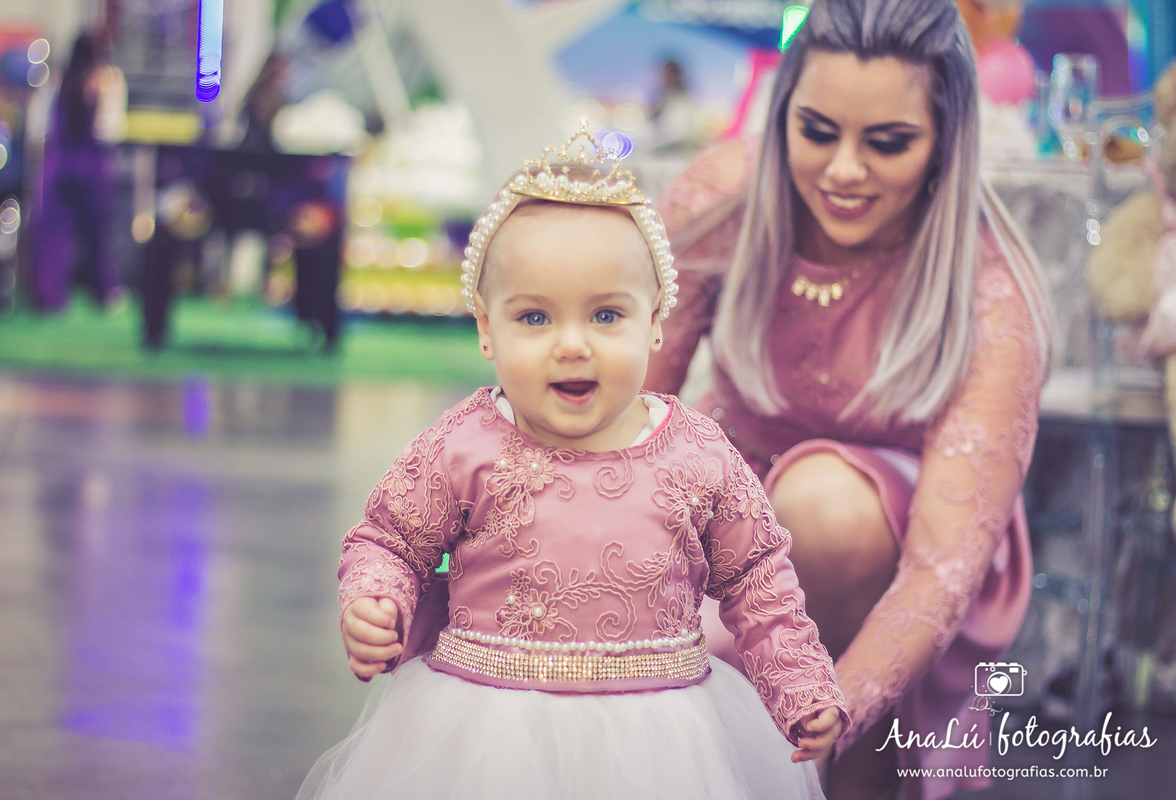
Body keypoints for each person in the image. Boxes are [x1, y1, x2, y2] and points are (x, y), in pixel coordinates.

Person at [297, 127, 848, 800]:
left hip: (660, 742)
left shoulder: (698, 452)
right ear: (486, 328)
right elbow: (389, 540)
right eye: (534, 318)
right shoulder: (465, 444)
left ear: (655, 322)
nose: (572, 345)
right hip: (486, 733)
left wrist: (799, 683)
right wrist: (376, 600)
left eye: (606, 315)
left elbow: (757, 577)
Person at [643, 2, 1051, 799]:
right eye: (818, 131)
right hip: (737, 501)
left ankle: (854, 778)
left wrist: (832, 709)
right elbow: (626, 411)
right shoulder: (721, 197)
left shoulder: (994, 294)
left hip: (907, 540)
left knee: (823, 504)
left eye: (887, 142)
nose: (843, 171)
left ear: (946, 142)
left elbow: (939, 571)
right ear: (782, 112)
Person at [32, 32, 122, 311]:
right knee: (97, 235)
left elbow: (39, 128)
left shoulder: (55, 80)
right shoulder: (107, 80)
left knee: (54, 237)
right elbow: (109, 130)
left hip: (58, 167)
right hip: (91, 167)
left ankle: (50, 297)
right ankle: (104, 293)